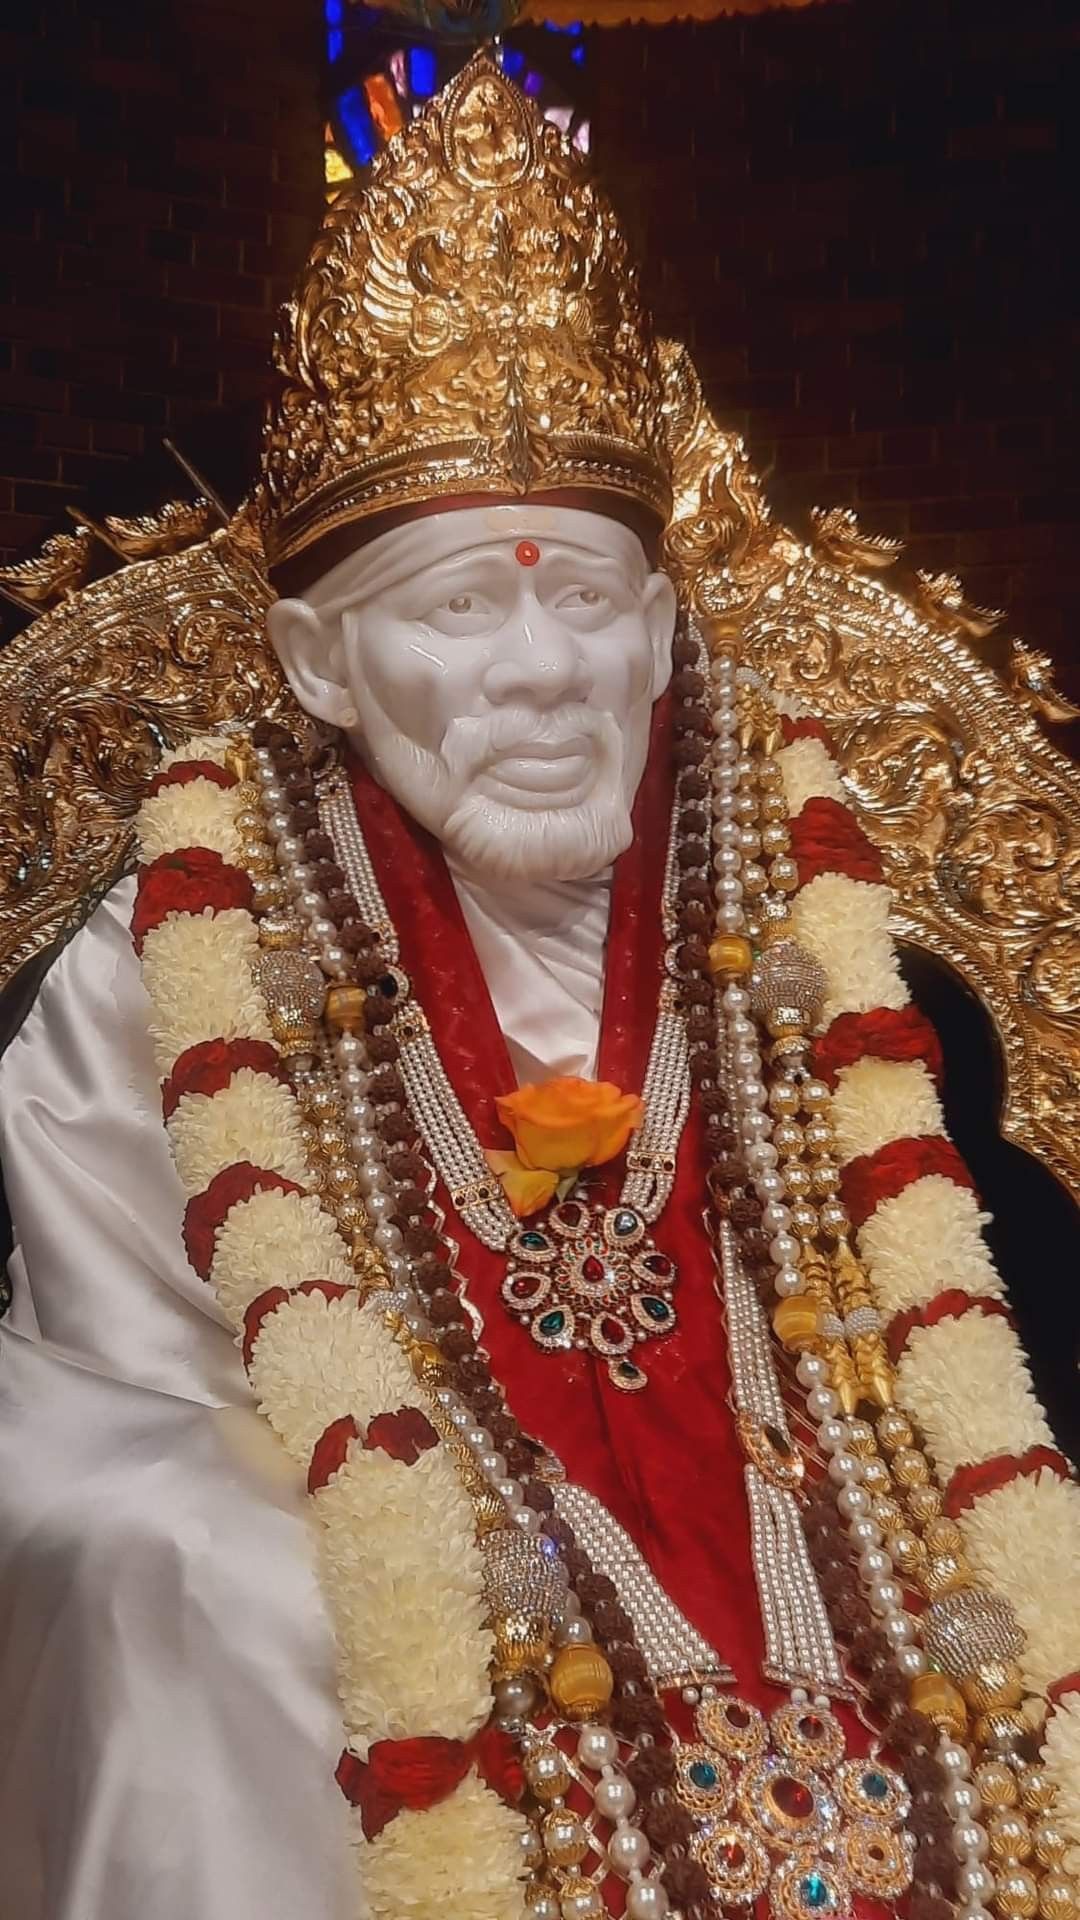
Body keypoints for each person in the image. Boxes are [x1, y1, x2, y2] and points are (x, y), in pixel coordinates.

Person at [1, 53, 1078, 1920]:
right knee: (211, 1584)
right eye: (457, 607)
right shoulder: (167, 957)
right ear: (319, 663)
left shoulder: (798, 904)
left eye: (585, 602)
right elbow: (110, 1391)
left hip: (827, 1520)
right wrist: (414, 1518)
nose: (536, 674)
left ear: (662, 632)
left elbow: (922, 1346)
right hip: (341, 1521)